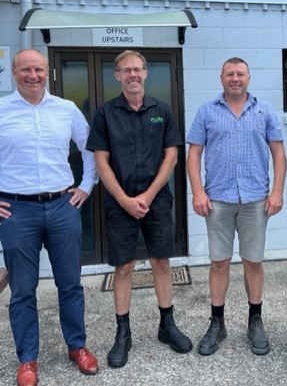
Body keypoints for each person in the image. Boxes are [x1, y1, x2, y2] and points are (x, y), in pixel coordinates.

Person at [0, 49, 99, 386]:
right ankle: (28, 359)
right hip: (16, 211)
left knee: (70, 284)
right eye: (25, 70)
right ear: (13, 72)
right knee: (22, 290)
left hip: (63, 206)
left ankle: (77, 346)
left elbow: (91, 148)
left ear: (46, 71)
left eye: (37, 69)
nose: (32, 75)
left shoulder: (66, 110)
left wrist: (86, 186)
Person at [86, 50, 192, 368]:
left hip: (156, 200)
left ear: (146, 74)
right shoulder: (105, 114)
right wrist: (124, 199)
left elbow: (171, 156)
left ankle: (167, 325)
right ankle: (123, 333)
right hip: (120, 203)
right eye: (126, 70)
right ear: (116, 76)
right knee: (124, 267)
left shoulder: (162, 110)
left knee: (161, 261)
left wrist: (147, 194)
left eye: (138, 69)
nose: (133, 75)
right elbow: (101, 162)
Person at [186, 57, 286, 356]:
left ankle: (255, 320)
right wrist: (198, 192)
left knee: (253, 261)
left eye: (240, 73)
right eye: (229, 73)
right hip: (217, 199)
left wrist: (278, 191)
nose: (235, 78)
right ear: (221, 78)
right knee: (219, 262)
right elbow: (193, 155)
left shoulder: (264, 111)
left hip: (256, 198)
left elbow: (279, 155)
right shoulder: (206, 111)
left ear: (248, 78)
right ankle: (217, 323)